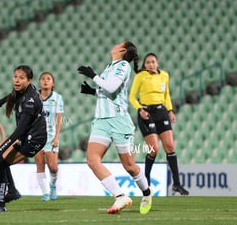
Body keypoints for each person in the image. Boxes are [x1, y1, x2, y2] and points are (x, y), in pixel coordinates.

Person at [78, 41, 152, 215]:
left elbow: (111, 86)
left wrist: (93, 75)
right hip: (101, 121)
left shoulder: (123, 65)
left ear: (122, 50)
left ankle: (147, 193)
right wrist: (92, 91)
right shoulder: (110, 66)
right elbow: (108, 92)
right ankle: (120, 195)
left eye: (118, 44)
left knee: (129, 166)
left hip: (118, 121)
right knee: (92, 160)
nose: (114, 45)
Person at [0, 65, 47, 212]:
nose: (17, 81)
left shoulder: (30, 101)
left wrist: (4, 148)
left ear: (29, 80)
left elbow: (20, 130)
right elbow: (14, 95)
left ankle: (0, 204)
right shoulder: (22, 90)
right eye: (15, 77)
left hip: (34, 139)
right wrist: (2, 101)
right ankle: (11, 190)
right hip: (26, 135)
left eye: (21, 78)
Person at [129, 52, 189, 195]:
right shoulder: (140, 76)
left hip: (161, 111)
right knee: (154, 149)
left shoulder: (164, 76)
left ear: (157, 63)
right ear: (144, 64)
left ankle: (177, 184)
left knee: (170, 146)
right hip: (146, 112)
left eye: (153, 61)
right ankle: (146, 181)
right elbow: (131, 97)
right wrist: (140, 109)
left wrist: (170, 110)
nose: (151, 64)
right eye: (148, 62)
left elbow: (166, 94)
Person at [34, 72, 64, 201]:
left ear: (53, 83)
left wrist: (56, 137)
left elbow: (59, 118)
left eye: (48, 79)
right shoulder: (35, 97)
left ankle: (52, 185)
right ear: (39, 82)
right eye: (43, 79)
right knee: (40, 164)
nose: (45, 81)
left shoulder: (57, 98)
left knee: (53, 167)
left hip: (51, 136)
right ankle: (45, 193)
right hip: (36, 135)